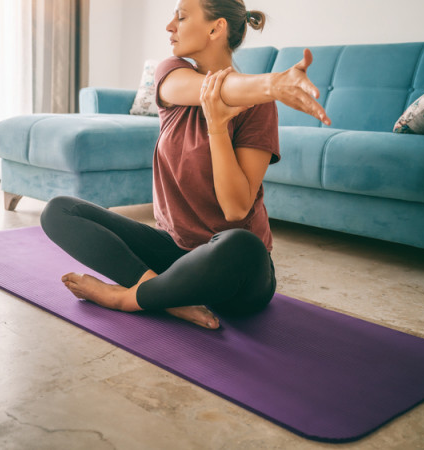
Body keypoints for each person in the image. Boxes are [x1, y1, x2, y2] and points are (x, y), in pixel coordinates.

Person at [40, 0, 330, 329]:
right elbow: (214, 90)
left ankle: (127, 298)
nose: (169, 26)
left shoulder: (258, 109)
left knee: (242, 244)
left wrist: (218, 128)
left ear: (215, 28)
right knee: (59, 210)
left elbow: (236, 209)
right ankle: (162, 295)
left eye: (181, 17)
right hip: (173, 252)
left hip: (231, 271)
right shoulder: (171, 73)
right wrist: (271, 84)